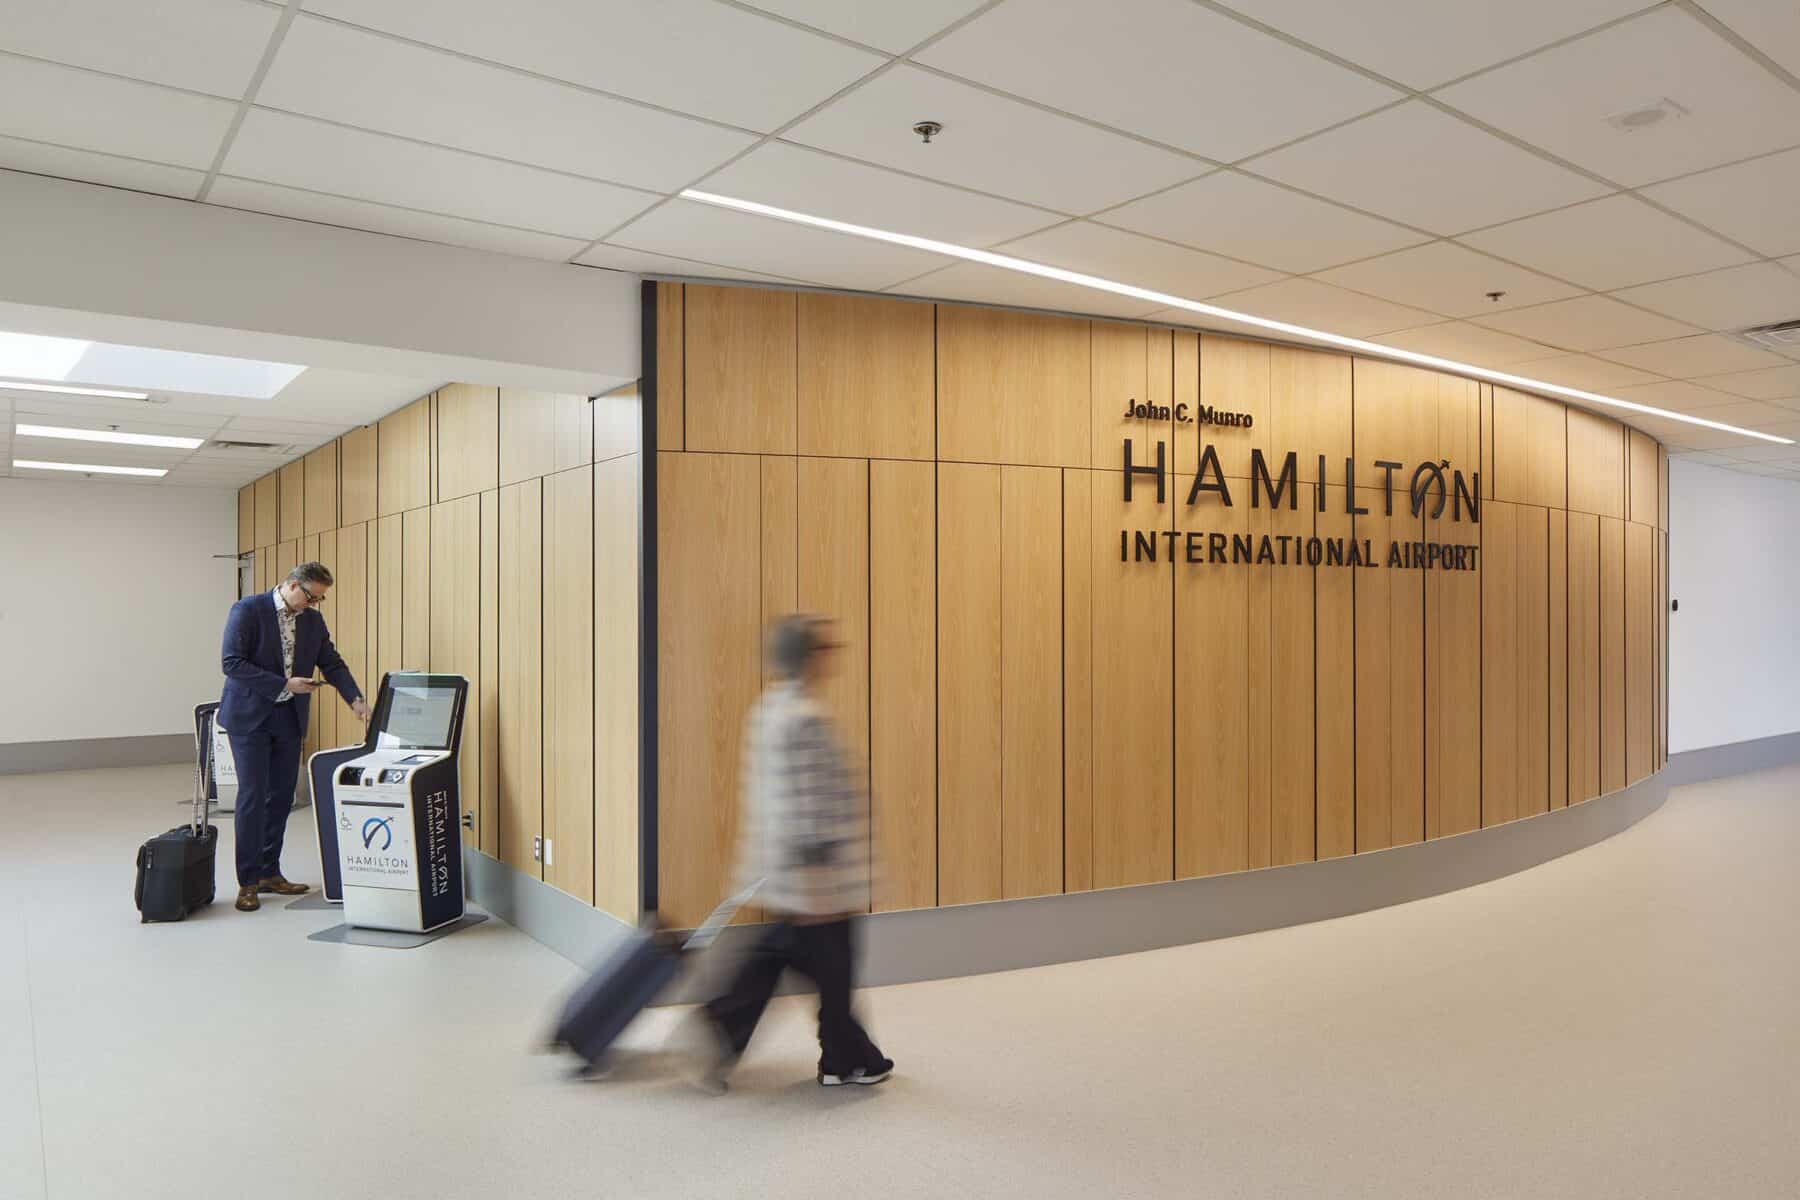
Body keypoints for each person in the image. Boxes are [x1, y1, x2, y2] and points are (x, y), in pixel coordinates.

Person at [693, 613, 893, 1091]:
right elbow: (809, 803)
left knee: (789, 958)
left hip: (785, 868)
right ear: (810, 657)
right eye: (825, 649)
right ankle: (847, 1058)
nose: (832, 657)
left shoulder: (769, 708)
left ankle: (728, 1024)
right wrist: (819, 879)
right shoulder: (806, 718)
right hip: (816, 876)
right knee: (833, 966)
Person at [219, 561, 370, 913]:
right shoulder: (248, 610)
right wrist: (283, 684)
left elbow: (330, 662)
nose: (312, 605)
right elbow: (232, 663)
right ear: (290, 584)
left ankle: (270, 871)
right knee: (253, 796)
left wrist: (355, 698)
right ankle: (248, 881)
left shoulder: (312, 621)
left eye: (319, 599)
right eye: (310, 596)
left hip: (288, 718)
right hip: (249, 717)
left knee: (282, 796)